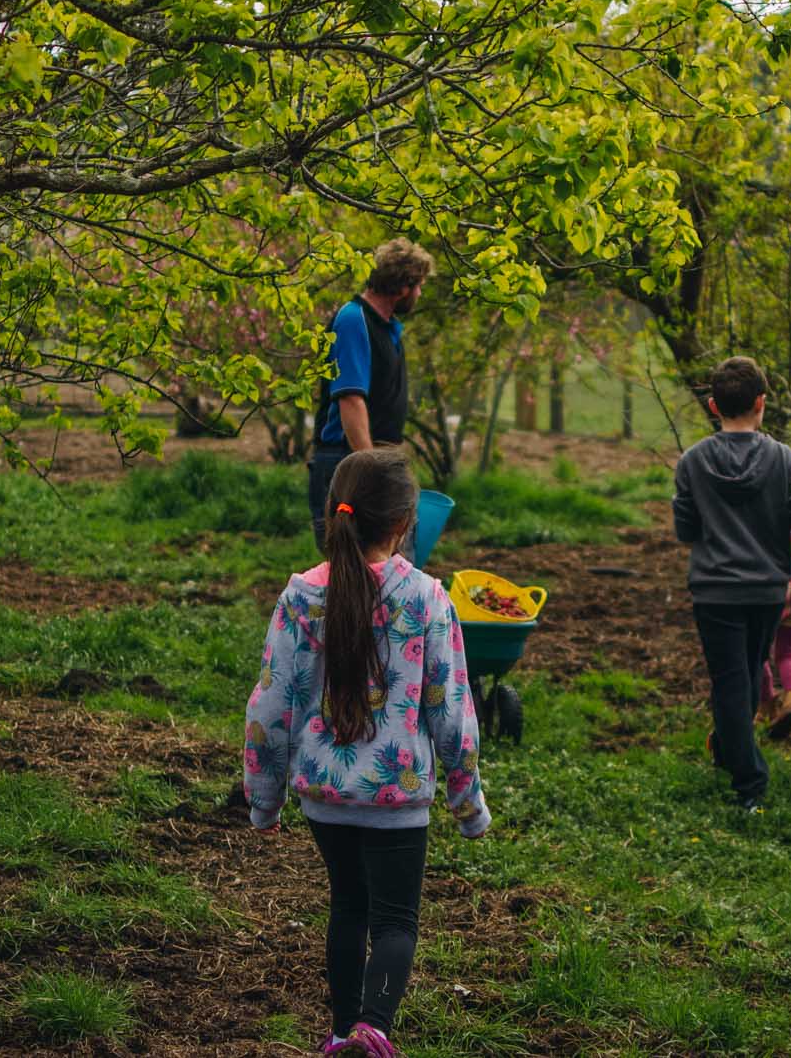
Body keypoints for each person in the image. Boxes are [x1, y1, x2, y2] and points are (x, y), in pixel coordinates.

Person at [244, 447, 490, 1058]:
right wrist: (468, 803)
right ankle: (373, 1032)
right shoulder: (427, 598)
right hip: (397, 797)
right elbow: (451, 712)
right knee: (395, 922)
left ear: (333, 512)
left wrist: (264, 801)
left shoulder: (302, 596)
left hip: (325, 798)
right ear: (405, 522)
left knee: (347, 909)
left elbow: (272, 706)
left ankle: (338, 1035)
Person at [672, 356, 791, 812]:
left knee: (734, 681)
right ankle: (744, 767)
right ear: (761, 403)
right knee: (744, 676)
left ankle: (746, 778)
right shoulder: (783, 458)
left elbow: (685, 529)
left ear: (714, 405)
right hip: (766, 592)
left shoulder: (693, 461)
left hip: (715, 591)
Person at [308, 239, 434, 553]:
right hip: (350, 460)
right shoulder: (354, 320)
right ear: (403, 286)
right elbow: (350, 400)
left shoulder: (386, 327)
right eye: (418, 285)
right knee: (358, 572)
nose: (420, 294)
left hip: (374, 457)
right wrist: (375, 471)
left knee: (394, 575)